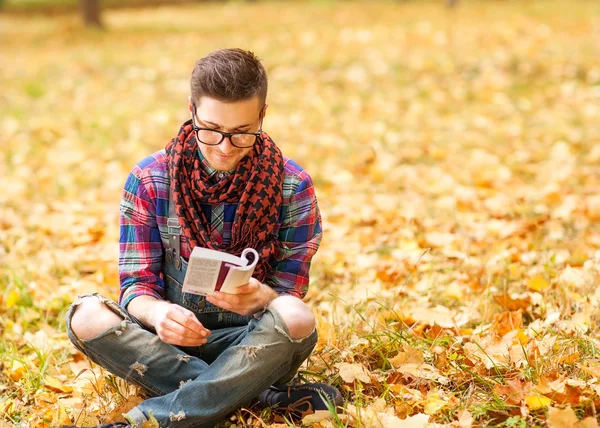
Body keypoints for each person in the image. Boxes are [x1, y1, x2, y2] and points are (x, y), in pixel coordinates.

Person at [63, 48, 341, 428]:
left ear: (262, 114)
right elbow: (136, 286)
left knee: (296, 316)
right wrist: (158, 313)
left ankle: (146, 422)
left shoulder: (292, 186)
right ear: (192, 109)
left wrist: (265, 297)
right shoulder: (150, 178)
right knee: (86, 316)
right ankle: (256, 394)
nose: (225, 148)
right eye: (211, 130)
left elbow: (289, 294)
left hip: (250, 344)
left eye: (242, 133)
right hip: (167, 345)